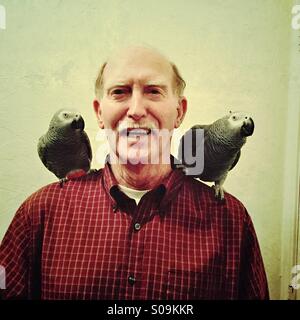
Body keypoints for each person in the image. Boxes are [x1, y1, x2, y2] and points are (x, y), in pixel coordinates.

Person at [0, 46, 269, 300]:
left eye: (153, 91)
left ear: (179, 112)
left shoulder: (232, 221)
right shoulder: (41, 212)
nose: (137, 110)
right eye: (119, 92)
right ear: (99, 113)